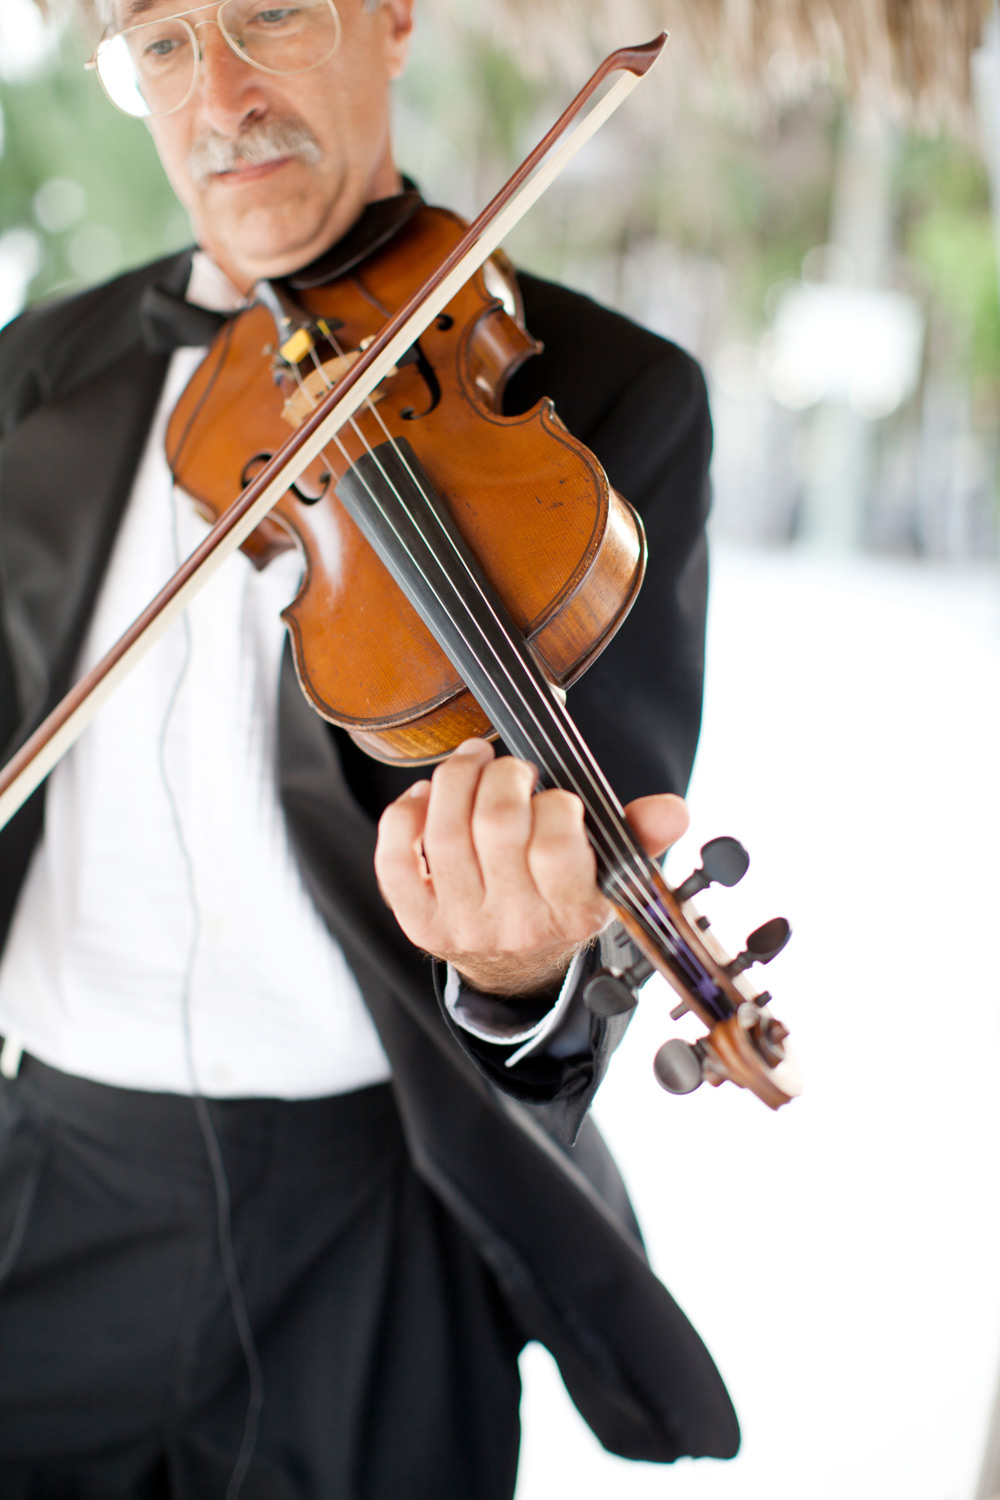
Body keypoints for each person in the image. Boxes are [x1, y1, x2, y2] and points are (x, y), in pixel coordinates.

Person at [0, 0, 739, 1494]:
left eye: (270, 13)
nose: (222, 95)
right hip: (47, 1192)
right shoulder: (35, 373)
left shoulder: (597, 396)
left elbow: (590, 892)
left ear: (391, 20)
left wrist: (520, 965)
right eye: (161, 43)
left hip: (378, 1214)